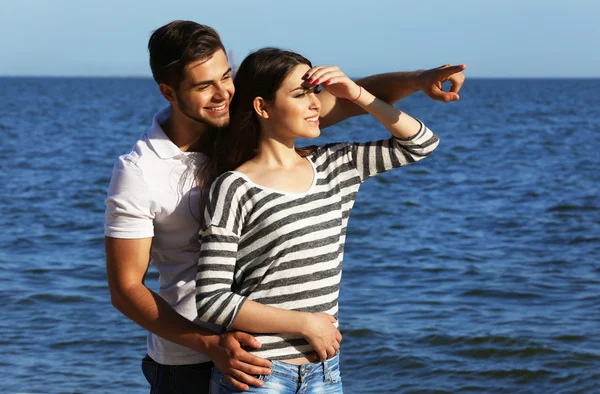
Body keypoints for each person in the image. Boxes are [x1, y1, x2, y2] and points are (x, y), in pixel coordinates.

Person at [104, 20, 465, 394]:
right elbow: (126, 288)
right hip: (189, 359)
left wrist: (421, 79)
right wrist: (208, 342)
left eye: (225, 76)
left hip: (279, 355)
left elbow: (349, 100)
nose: (222, 93)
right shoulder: (142, 171)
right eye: (203, 86)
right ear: (169, 92)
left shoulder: (246, 122)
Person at [195, 48, 443, 394]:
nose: (316, 104)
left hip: (325, 375)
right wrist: (305, 324)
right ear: (262, 107)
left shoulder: (338, 164)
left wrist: (356, 93)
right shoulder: (235, 187)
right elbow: (212, 299)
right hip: (259, 375)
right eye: (300, 94)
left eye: (315, 91)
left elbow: (421, 143)